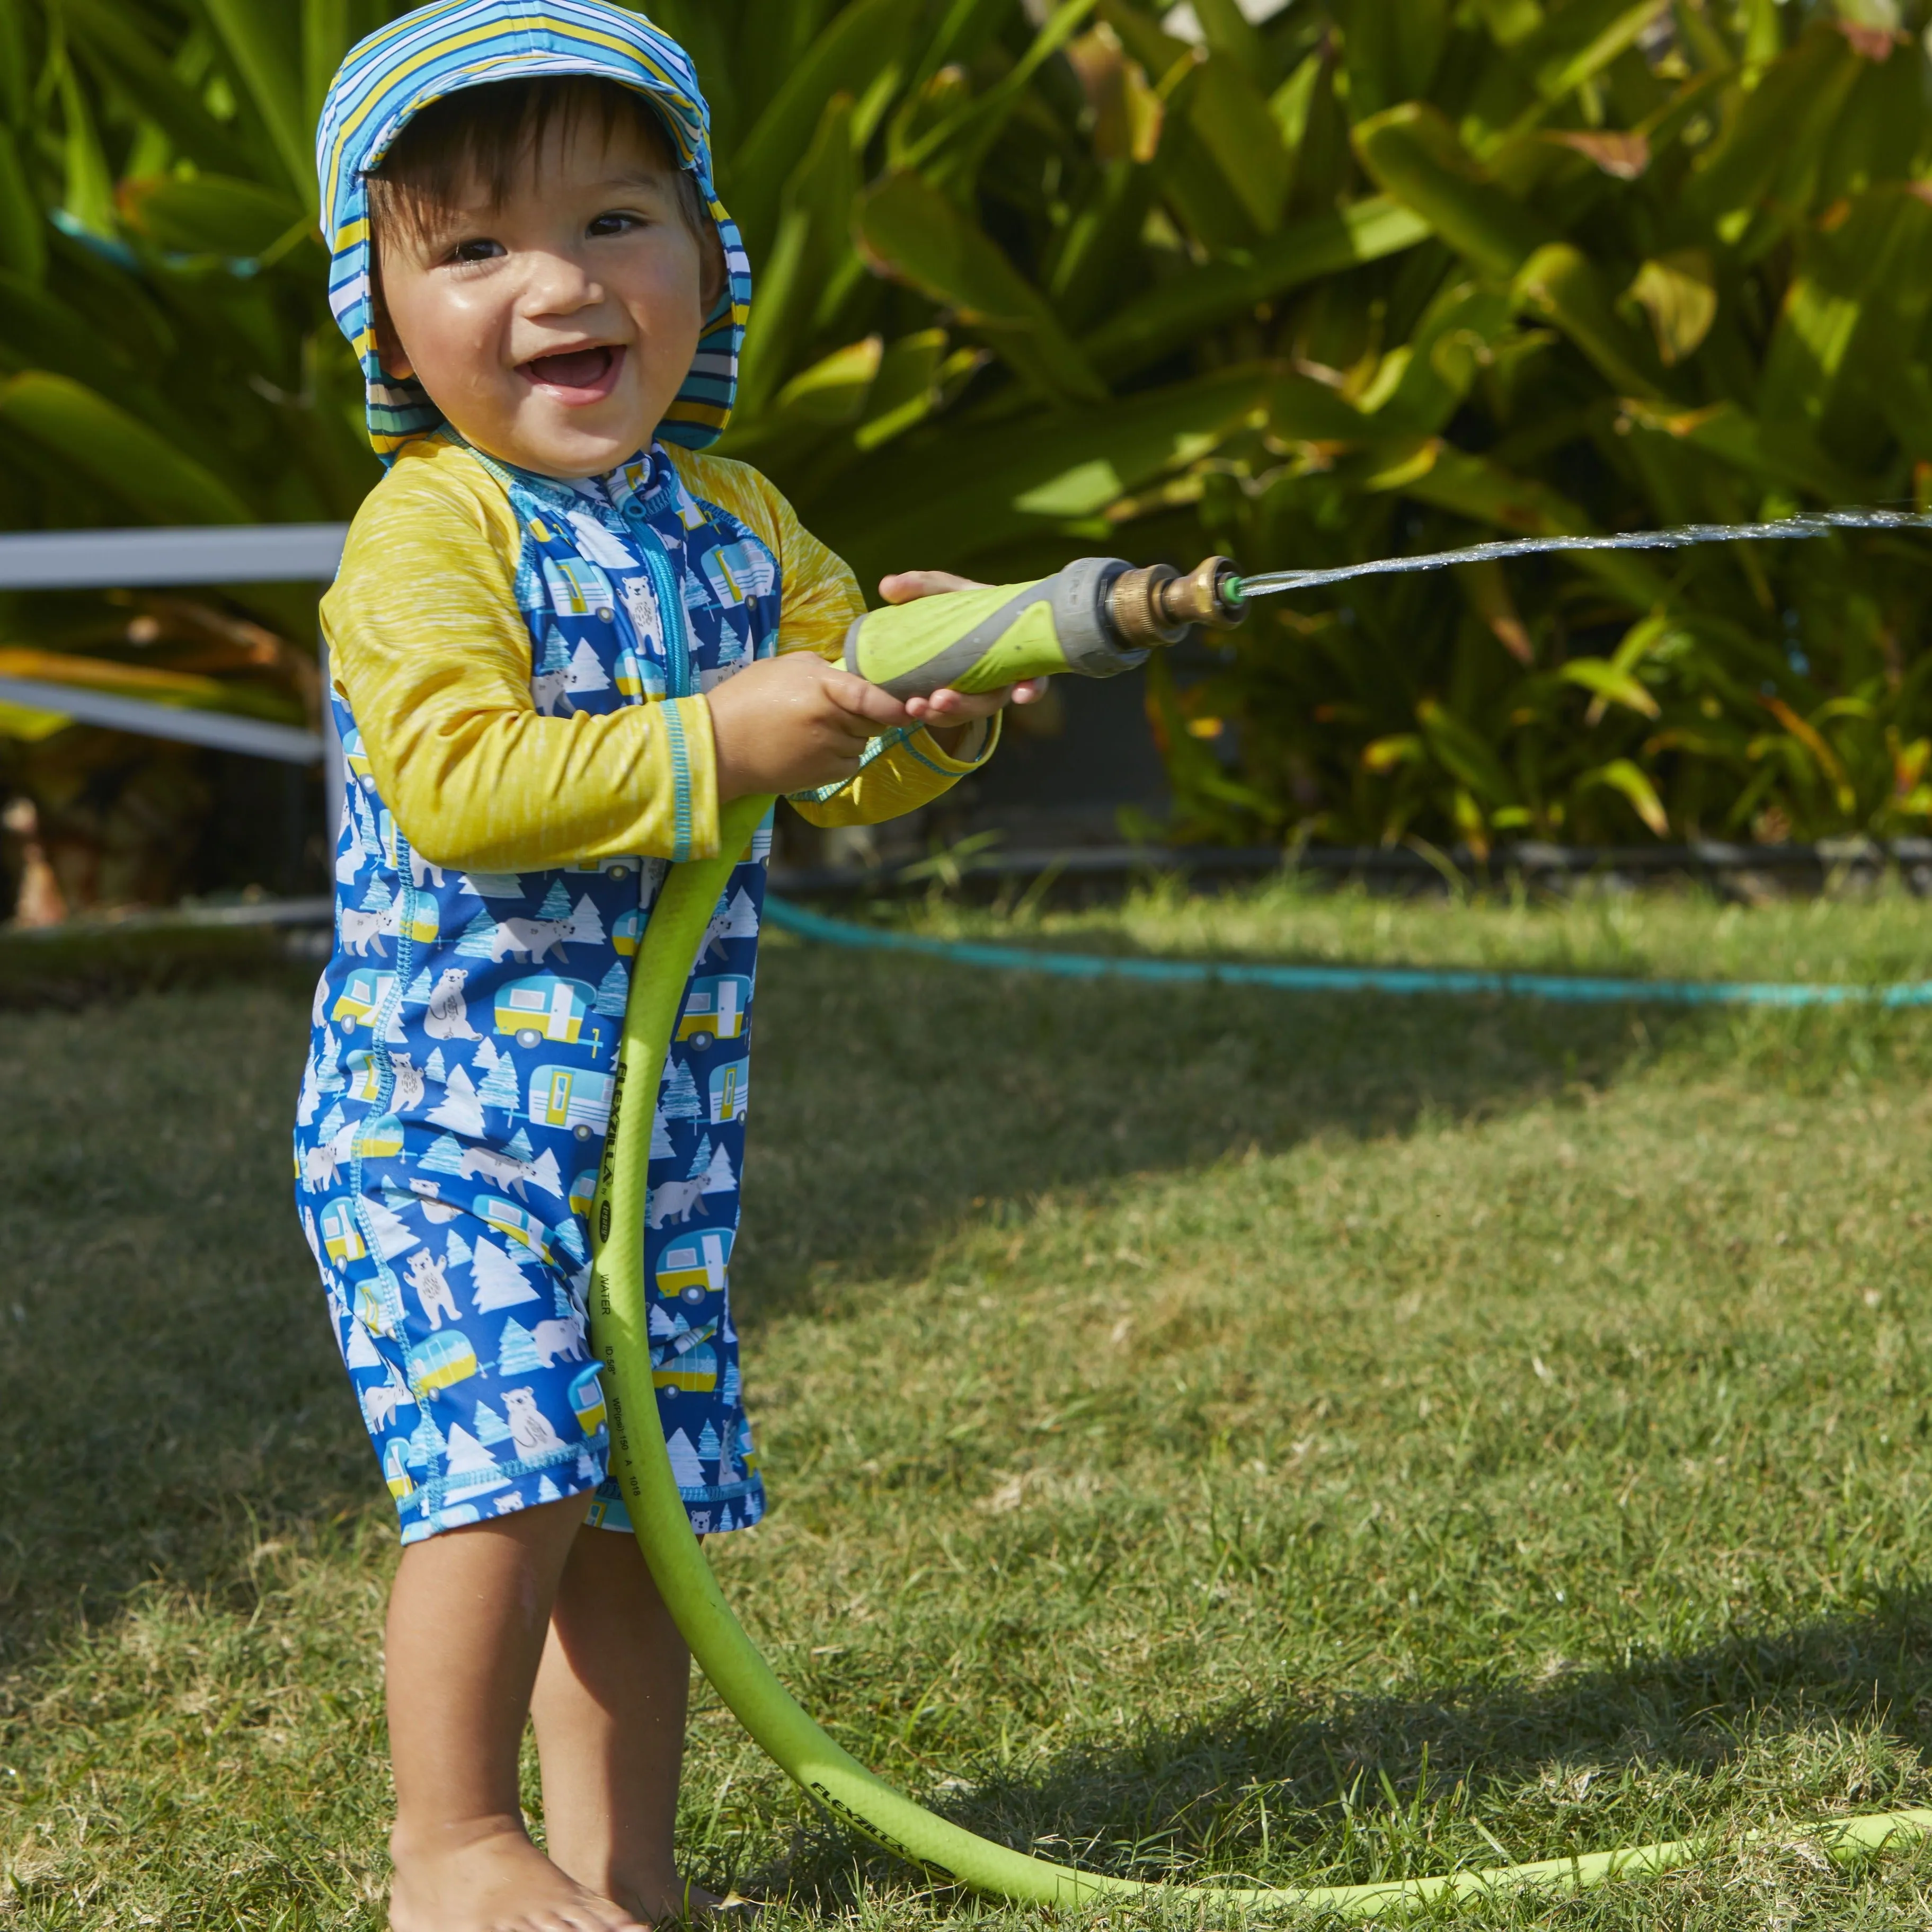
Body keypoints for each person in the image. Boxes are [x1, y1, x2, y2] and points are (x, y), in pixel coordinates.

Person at [293, 6, 1045, 1927]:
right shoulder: (428, 531)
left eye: (618, 220)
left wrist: (935, 709)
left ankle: (623, 1881)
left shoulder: (741, 523)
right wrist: (712, 738)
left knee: (632, 1512)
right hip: (440, 1122)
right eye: (472, 250)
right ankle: (450, 1844)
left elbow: (841, 754)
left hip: (650, 1142)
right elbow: (455, 786)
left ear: (705, 256)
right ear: (382, 314)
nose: (559, 281)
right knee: (514, 1463)